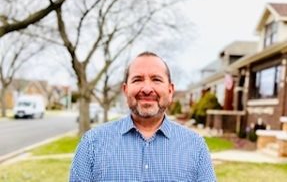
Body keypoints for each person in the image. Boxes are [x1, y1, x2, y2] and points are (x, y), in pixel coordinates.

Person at [69, 51, 216, 182]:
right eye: (137, 79)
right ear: (125, 90)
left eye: (156, 79)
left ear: (170, 91)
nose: (146, 89)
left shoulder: (196, 146)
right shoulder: (91, 144)